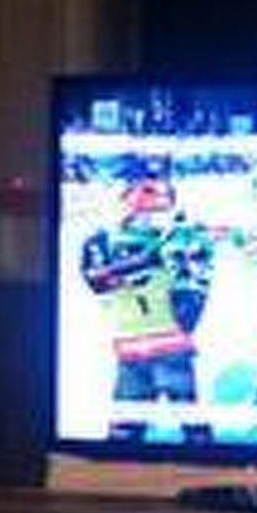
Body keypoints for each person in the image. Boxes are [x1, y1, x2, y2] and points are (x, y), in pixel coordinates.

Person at [80, 175, 214, 441]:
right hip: (132, 348)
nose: (147, 202)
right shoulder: (104, 239)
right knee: (126, 434)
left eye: (155, 195)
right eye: (142, 192)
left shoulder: (181, 238)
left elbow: (193, 286)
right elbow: (96, 279)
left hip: (168, 344)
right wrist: (142, 261)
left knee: (191, 430)